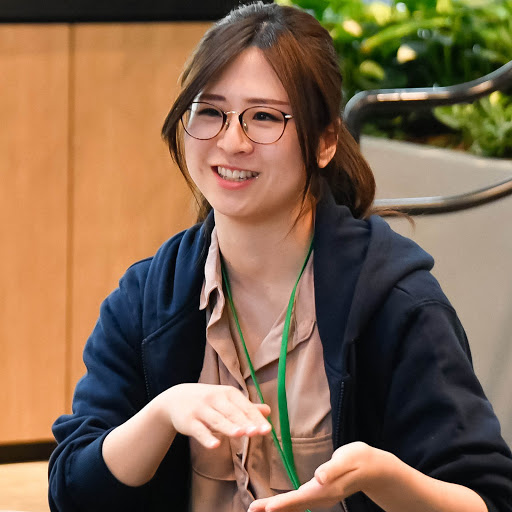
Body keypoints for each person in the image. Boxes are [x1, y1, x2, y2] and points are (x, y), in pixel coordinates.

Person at [48, 2, 512, 512]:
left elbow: (487, 498)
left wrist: (384, 476)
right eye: (210, 112)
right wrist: (162, 414)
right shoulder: (148, 298)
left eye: (264, 117)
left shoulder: (396, 303)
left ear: (325, 140)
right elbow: (72, 491)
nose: (231, 141)